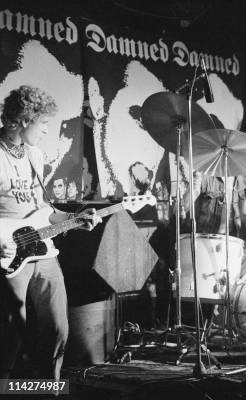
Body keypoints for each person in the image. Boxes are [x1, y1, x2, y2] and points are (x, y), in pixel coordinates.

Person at [0, 85, 101, 387]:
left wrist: (73, 219)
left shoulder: (35, 154)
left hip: (43, 250)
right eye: (43, 123)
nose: (46, 130)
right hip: (8, 254)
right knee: (8, 337)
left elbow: (43, 207)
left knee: (57, 329)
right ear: (23, 120)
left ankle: (49, 389)